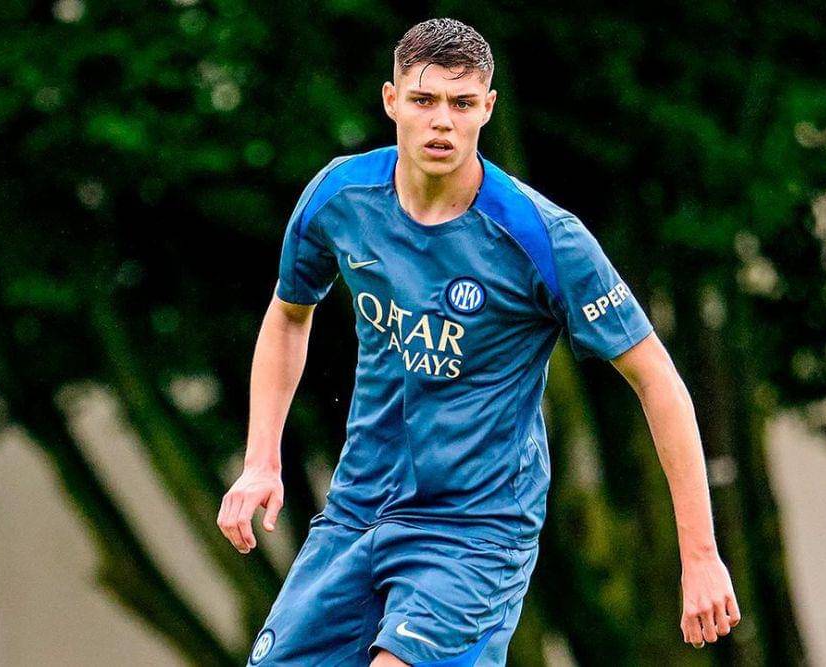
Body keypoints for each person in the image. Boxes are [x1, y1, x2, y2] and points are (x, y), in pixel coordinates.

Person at [218, 17, 741, 666]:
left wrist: (701, 555)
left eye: (462, 103)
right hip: (357, 511)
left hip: (475, 531)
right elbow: (289, 314)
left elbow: (657, 378)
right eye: (424, 99)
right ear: (391, 101)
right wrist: (262, 461)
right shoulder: (339, 198)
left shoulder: (543, 237)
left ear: (487, 108)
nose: (442, 121)